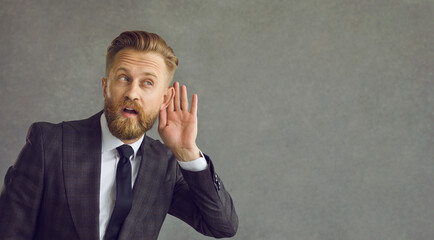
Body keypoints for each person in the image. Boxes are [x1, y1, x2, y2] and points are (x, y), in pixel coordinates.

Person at [0, 30, 238, 240]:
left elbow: (222, 226)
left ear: (165, 99)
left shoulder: (166, 164)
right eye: (124, 78)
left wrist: (187, 152)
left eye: (147, 83)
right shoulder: (49, 143)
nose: (132, 93)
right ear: (106, 87)